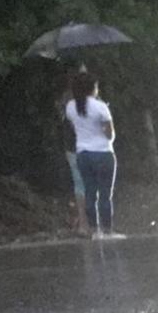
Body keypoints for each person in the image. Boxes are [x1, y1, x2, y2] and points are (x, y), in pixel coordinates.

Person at [65, 72, 122, 239]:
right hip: (103, 153)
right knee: (105, 194)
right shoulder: (101, 107)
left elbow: (74, 125)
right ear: (93, 88)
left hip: (82, 154)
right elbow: (110, 135)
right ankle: (108, 230)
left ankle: (94, 230)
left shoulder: (71, 107)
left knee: (90, 193)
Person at [58, 81, 89, 235]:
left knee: (80, 184)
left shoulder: (67, 100)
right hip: (80, 147)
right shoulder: (77, 102)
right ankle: (86, 223)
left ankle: (83, 223)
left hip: (72, 147)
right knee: (85, 183)